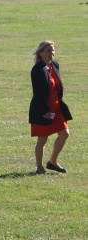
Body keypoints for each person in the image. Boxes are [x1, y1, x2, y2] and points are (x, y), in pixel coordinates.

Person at [29, 40, 72, 174]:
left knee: (65, 133)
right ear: (40, 53)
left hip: (56, 107)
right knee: (42, 139)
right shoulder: (37, 70)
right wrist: (44, 111)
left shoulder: (55, 65)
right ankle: (39, 168)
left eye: (52, 50)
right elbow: (38, 93)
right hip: (43, 108)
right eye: (48, 51)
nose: (51, 53)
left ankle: (52, 162)